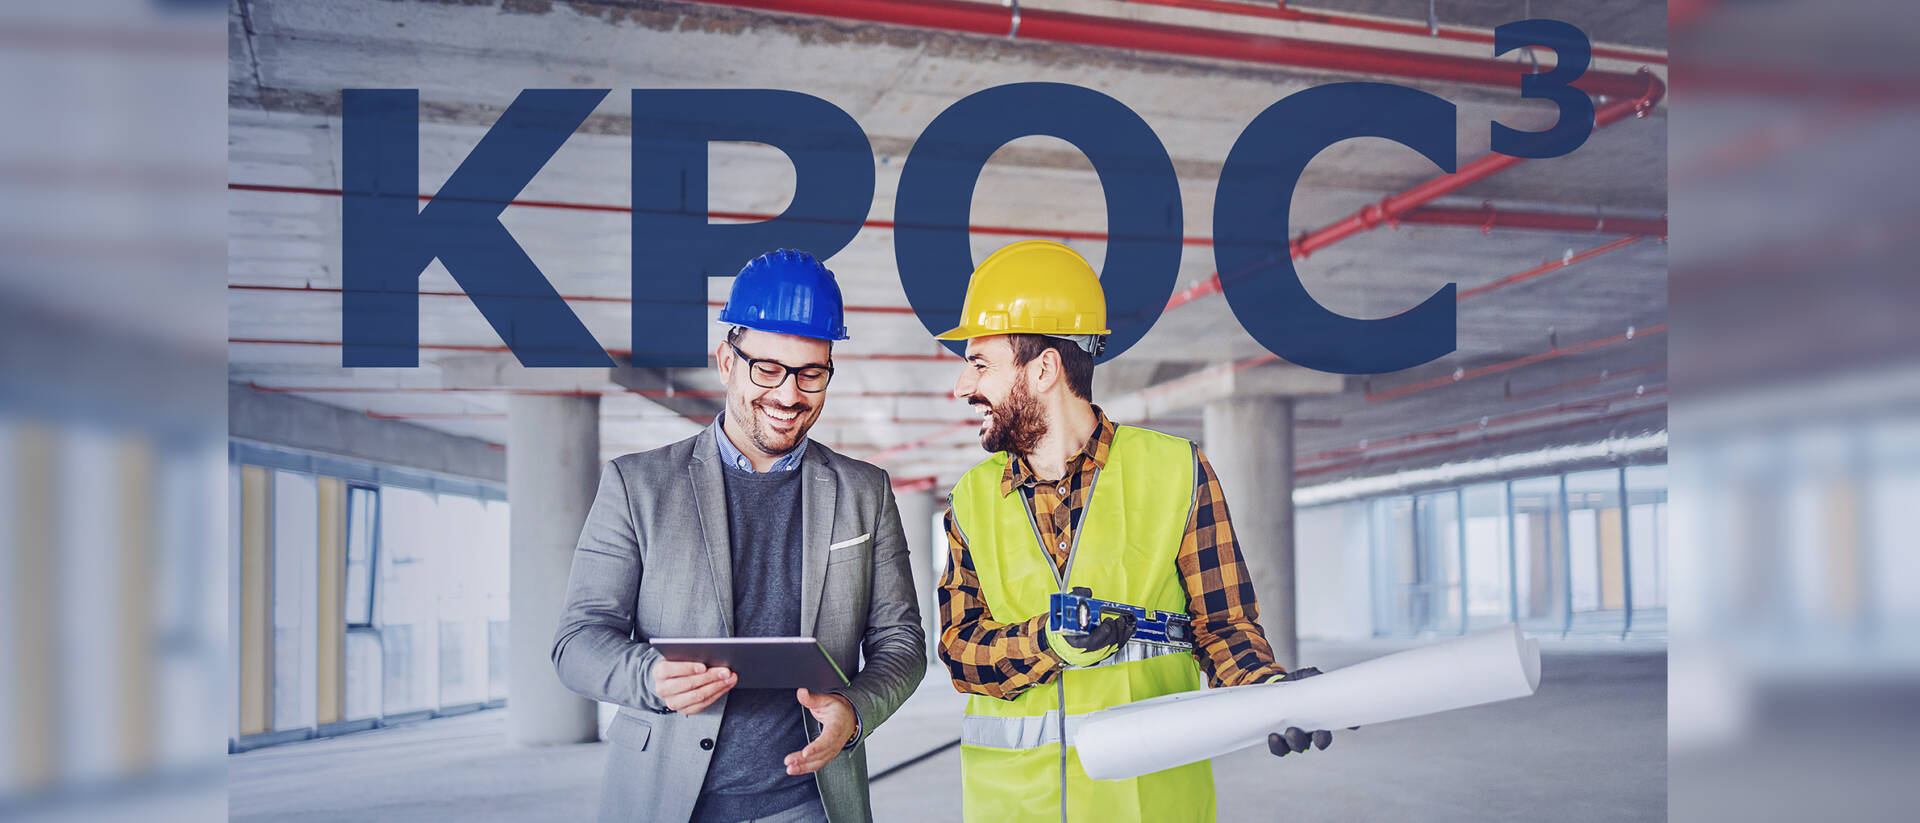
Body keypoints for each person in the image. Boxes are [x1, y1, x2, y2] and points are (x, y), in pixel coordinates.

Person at [934, 240, 1334, 823]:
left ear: (1043, 369)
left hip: (1149, 806)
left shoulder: (1176, 470)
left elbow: (1223, 627)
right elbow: (960, 652)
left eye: (979, 363)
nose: (962, 386)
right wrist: (1047, 643)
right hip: (1013, 809)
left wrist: (1273, 696)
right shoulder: (972, 499)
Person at [552, 249, 926, 823]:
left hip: (809, 805)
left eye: (811, 373)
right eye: (768, 369)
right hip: (667, 801)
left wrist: (855, 710)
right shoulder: (637, 485)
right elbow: (577, 643)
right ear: (726, 360)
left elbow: (901, 642)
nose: (788, 395)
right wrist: (649, 677)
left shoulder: (864, 492)